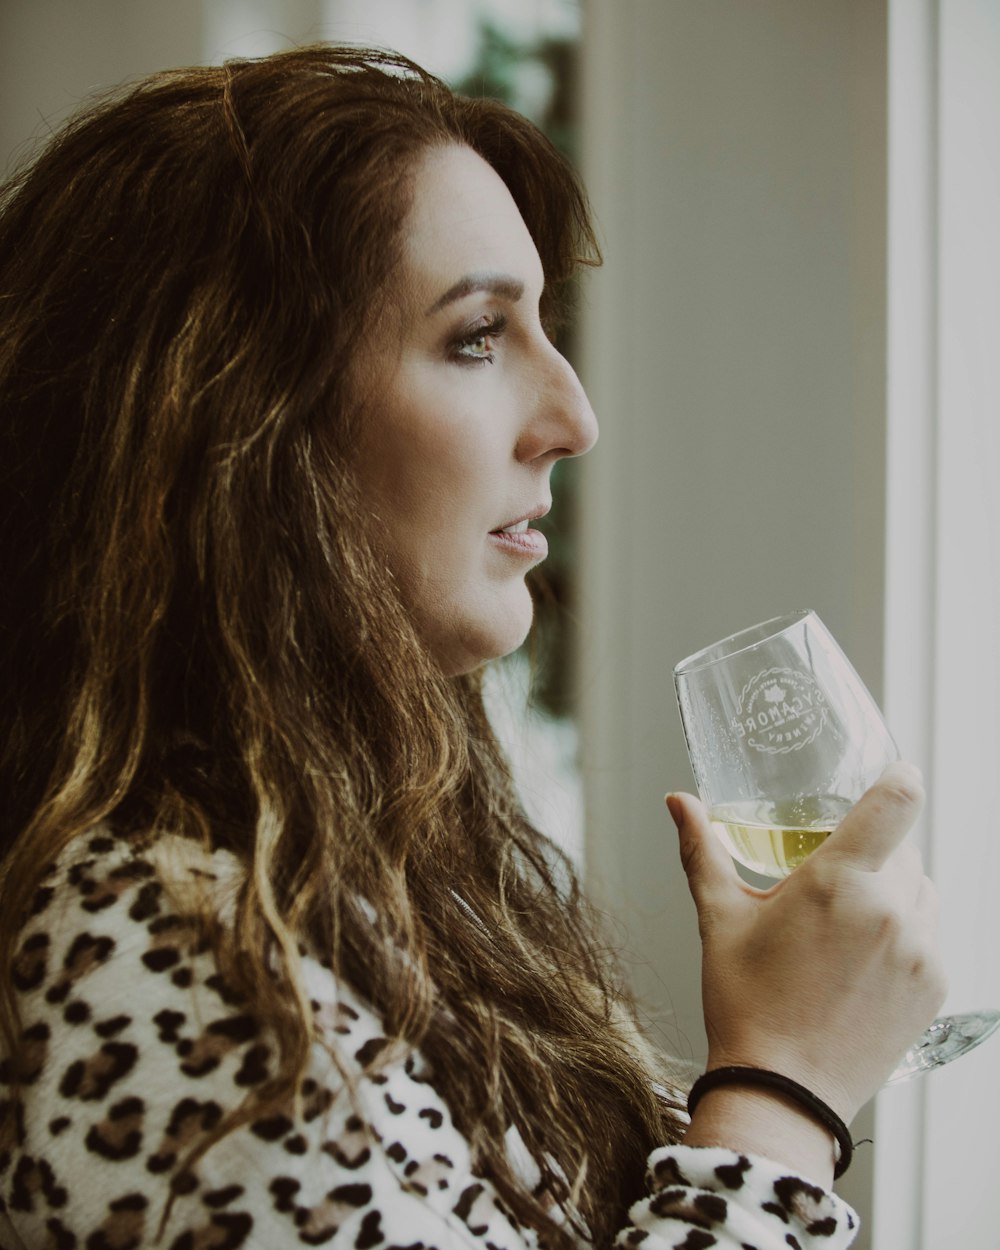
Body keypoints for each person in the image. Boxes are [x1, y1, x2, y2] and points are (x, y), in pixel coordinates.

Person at [0, 45, 945, 1250]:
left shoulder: (354, 873)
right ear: (234, 417)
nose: (572, 416)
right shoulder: (159, 942)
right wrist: (784, 1087)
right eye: (477, 334)